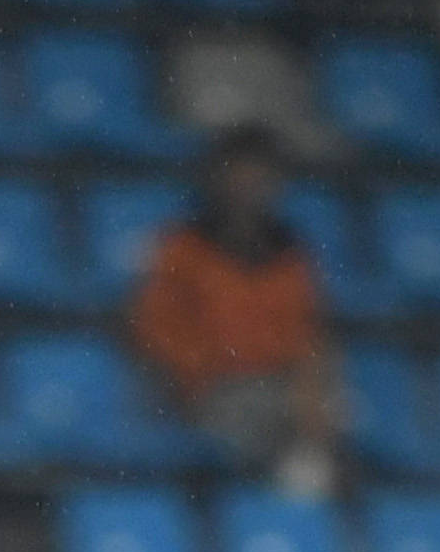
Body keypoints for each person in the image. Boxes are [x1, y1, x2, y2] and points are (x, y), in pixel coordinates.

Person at [130, 129, 342, 498]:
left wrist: (310, 405)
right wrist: (200, 375)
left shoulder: (292, 251)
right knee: (257, 441)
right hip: (208, 389)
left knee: (324, 433)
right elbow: (155, 324)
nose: (251, 185)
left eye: (262, 175)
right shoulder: (183, 246)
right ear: (217, 176)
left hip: (278, 388)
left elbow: (306, 336)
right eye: (241, 173)